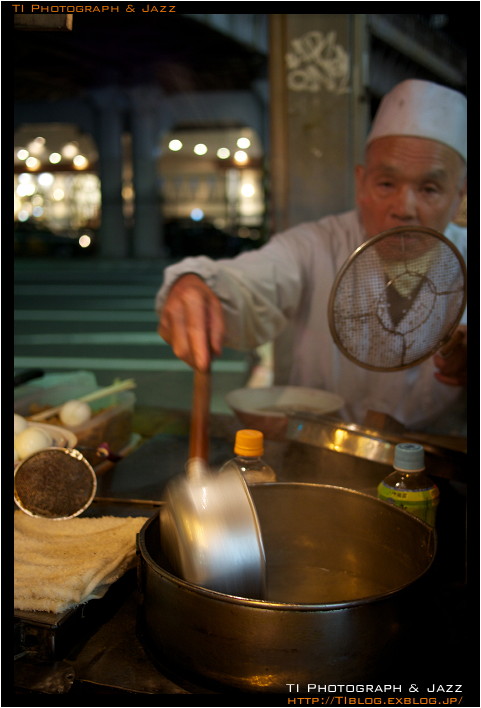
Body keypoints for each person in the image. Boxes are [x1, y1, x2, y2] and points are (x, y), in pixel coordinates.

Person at [155, 79, 467, 435]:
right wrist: (196, 285)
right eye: (386, 184)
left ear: (458, 197)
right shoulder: (315, 246)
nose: (404, 208)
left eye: (430, 189)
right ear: (361, 183)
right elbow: (251, 282)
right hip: (316, 459)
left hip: (436, 472)